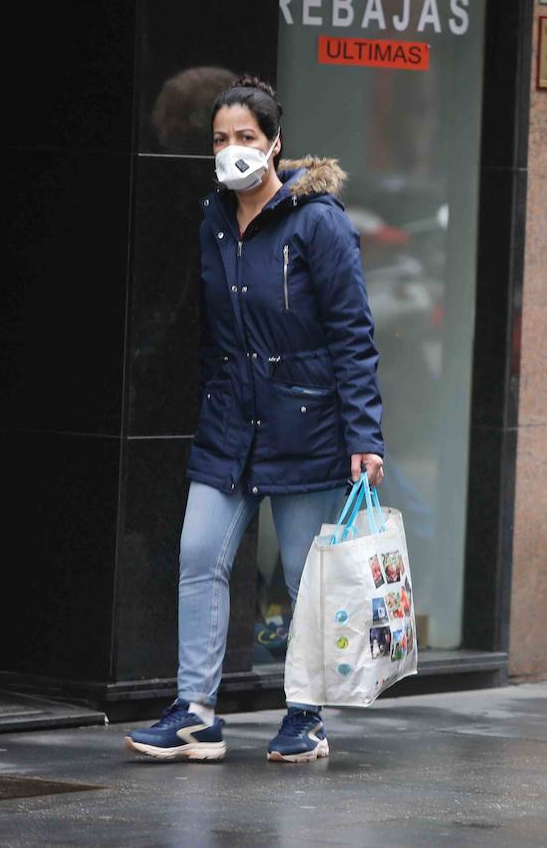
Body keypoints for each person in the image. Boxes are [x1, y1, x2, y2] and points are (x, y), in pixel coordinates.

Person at [125, 76, 386, 762]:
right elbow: (206, 325)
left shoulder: (319, 222)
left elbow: (353, 336)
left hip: (307, 422)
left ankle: (305, 715)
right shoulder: (214, 218)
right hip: (230, 422)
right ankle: (195, 712)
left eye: (245, 137)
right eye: (220, 139)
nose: (232, 150)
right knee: (197, 556)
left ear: (275, 144)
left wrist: (364, 436)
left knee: (304, 578)